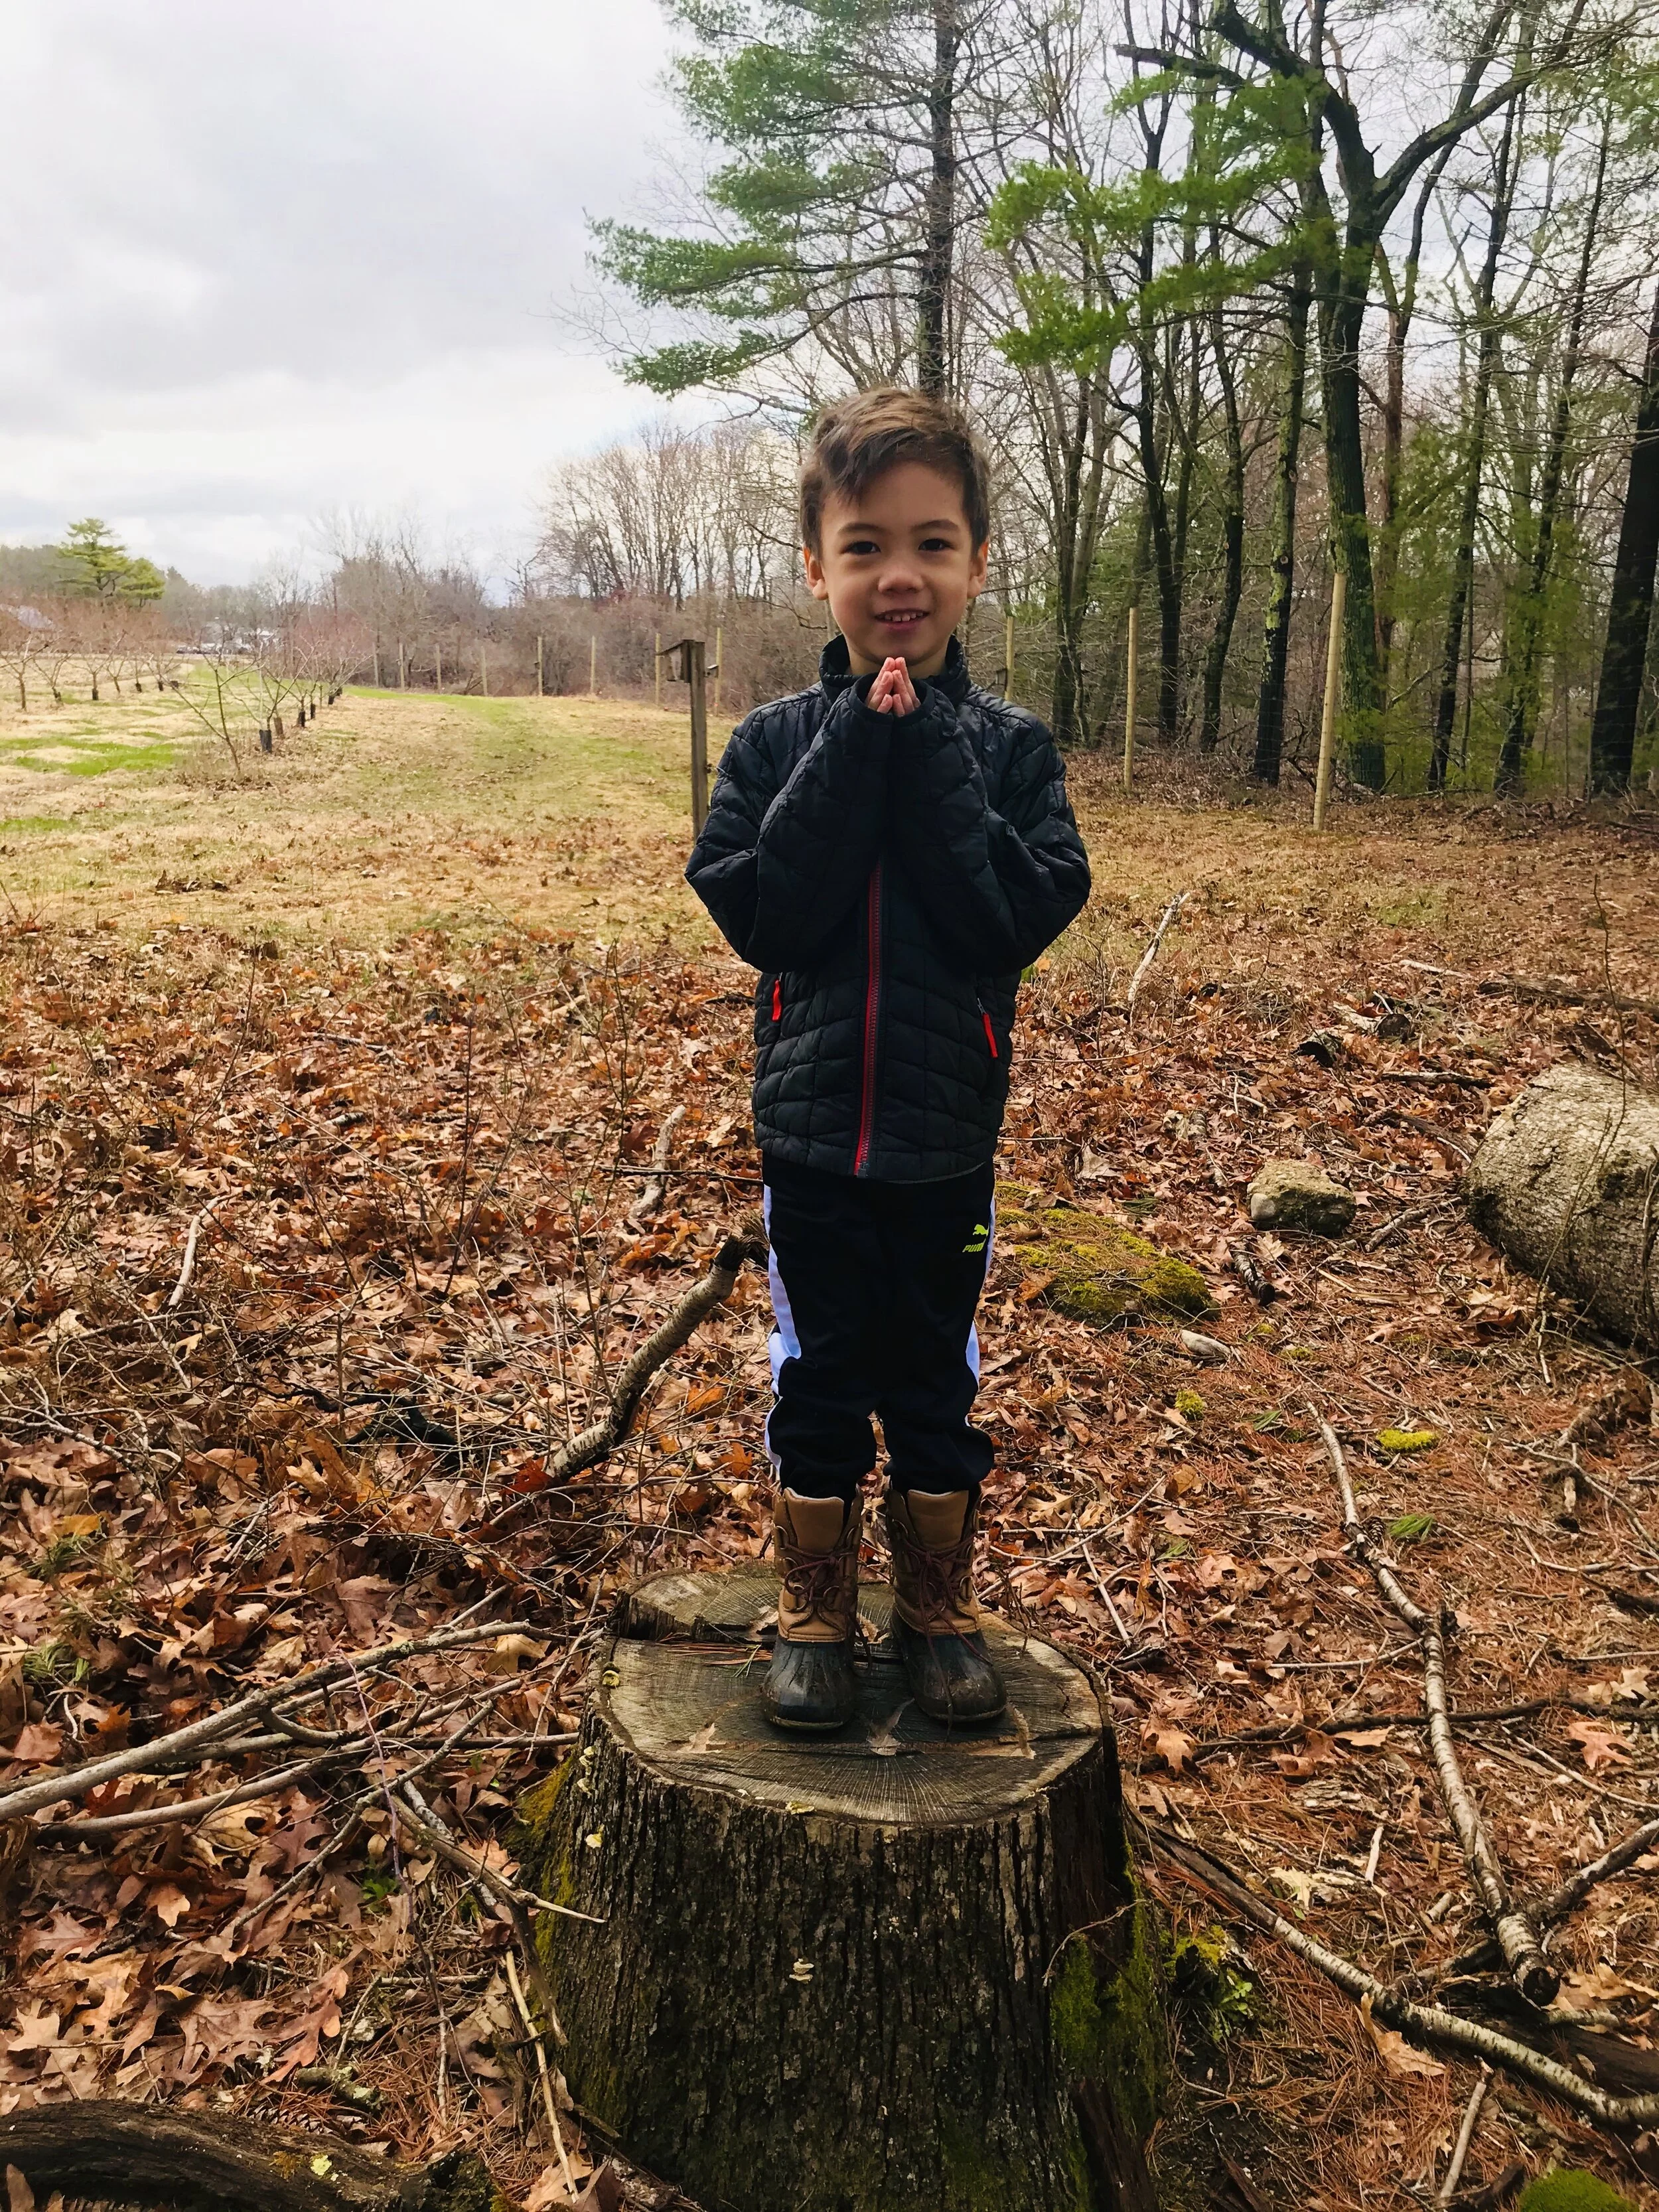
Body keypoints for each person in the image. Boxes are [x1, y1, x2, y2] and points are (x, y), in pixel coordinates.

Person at [685, 386, 1091, 1732]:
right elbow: (764, 911)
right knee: (817, 1377)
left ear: (977, 560)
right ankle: (812, 1609)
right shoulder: (772, 744)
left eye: (929, 542)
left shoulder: (1013, 752)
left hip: (941, 1148)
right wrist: (860, 736)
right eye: (862, 545)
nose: (896, 574)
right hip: (810, 1148)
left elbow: (1005, 915)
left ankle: (933, 1608)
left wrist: (926, 758)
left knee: (933, 1380)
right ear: (815, 567)